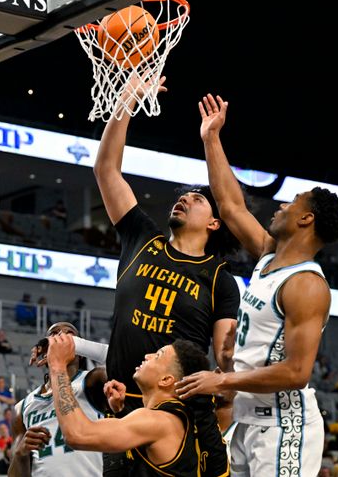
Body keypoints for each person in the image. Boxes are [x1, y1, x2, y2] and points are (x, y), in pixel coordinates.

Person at [175, 94, 338, 476]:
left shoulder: (306, 285)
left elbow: (296, 372)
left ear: (306, 219)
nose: (280, 207)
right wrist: (211, 139)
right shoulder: (270, 256)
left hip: (284, 426)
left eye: (289, 204)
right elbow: (231, 205)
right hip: (246, 416)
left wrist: (223, 377)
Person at [92, 76, 240, 477]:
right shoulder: (142, 238)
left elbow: (225, 358)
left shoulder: (220, 279)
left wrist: (223, 407)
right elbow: (107, 170)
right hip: (121, 402)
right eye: (183, 195)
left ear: (213, 223)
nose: (184, 198)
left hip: (174, 412)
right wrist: (125, 102)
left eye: (196, 199)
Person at [47, 331, 208, 477]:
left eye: (157, 355)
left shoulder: (159, 421)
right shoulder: (170, 419)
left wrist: (58, 366)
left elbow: (77, 434)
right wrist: (120, 412)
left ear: (166, 380)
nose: (147, 356)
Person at [9, 322, 107, 477]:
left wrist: (78, 344)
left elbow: (125, 361)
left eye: (69, 334)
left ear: (80, 351)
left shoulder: (93, 380)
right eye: (54, 333)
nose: (61, 336)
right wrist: (21, 454)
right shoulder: (21, 408)